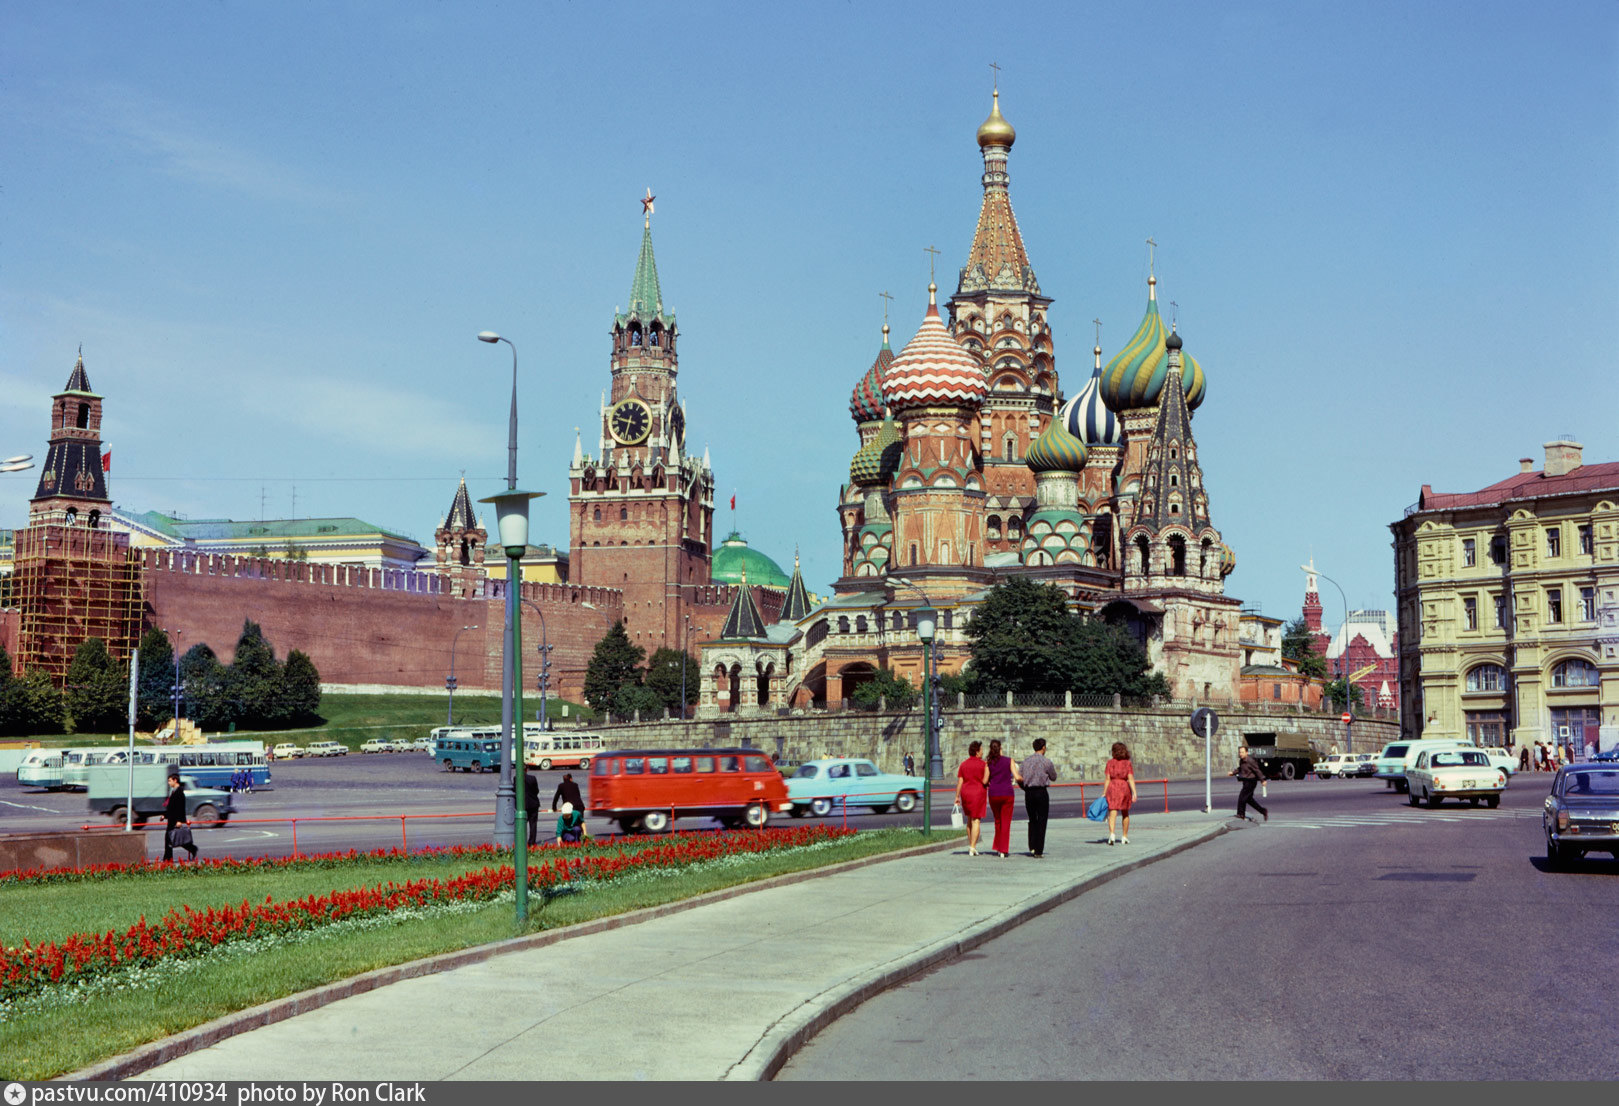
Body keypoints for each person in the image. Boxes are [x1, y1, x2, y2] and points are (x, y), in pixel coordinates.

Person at [1018, 738, 1057, 857]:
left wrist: (1025, 788)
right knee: (1042, 820)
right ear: (1043, 747)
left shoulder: (1025, 762)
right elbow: (1053, 777)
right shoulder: (1047, 762)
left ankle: (1032, 846)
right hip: (1041, 792)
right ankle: (1039, 850)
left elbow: (1019, 778)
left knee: (1032, 819)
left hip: (1029, 792)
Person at [985, 739, 1019, 858]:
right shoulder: (1009, 761)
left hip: (994, 794)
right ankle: (1003, 849)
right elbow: (1016, 776)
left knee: (998, 821)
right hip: (1007, 794)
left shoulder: (989, 763)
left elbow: (985, 780)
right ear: (1000, 749)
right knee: (1006, 822)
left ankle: (998, 847)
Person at [955, 740, 989, 856]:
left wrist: (957, 796)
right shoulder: (983, 764)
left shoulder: (963, 764)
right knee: (976, 820)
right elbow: (986, 780)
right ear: (977, 752)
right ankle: (973, 847)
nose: (983, 752)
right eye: (981, 750)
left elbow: (960, 781)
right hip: (978, 793)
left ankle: (971, 845)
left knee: (969, 820)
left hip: (966, 793)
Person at [1104, 741, 1138, 845]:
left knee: (1112, 813)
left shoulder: (1110, 763)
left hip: (1113, 787)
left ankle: (1112, 834)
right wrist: (1134, 792)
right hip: (1124, 788)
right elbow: (1130, 778)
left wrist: (1104, 793)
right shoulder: (1128, 763)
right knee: (1125, 812)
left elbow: (1107, 779)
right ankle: (1124, 836)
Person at [162, 771, 198, 862]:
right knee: (172, 838)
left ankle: (168, 859)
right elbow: (171, 806)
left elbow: (180, 808)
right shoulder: (174, 791)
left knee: (172, 838)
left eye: (170, 781)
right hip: (171, 818)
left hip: (175, 819)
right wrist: (165, 815)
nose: (169, 783)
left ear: (175, 780)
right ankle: (168, 858)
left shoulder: (179, 793)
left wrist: (179, 821)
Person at [1228, 744, 1269, 822]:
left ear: (1247, 753)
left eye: (1242, 752)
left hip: (1251, 781)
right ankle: (1263, 811)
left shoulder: (1250, 761)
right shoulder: (1241, 761)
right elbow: (1240, 769)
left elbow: (1257, 770)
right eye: (1240, 752)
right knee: (1249, 799)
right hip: (1246, 781)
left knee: (1242, 797)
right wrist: (1233, 773)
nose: (1241, 754)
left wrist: (1263, 780)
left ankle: (1241, 814)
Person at [523, 766, 540, 847]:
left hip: (523, 805)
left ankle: (522, 840)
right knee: (533, 824)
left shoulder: (516, 779)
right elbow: (536, 790)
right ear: (526, 770)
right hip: (533, 804)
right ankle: (532, 842)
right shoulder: (532, 778)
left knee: (522, 824)